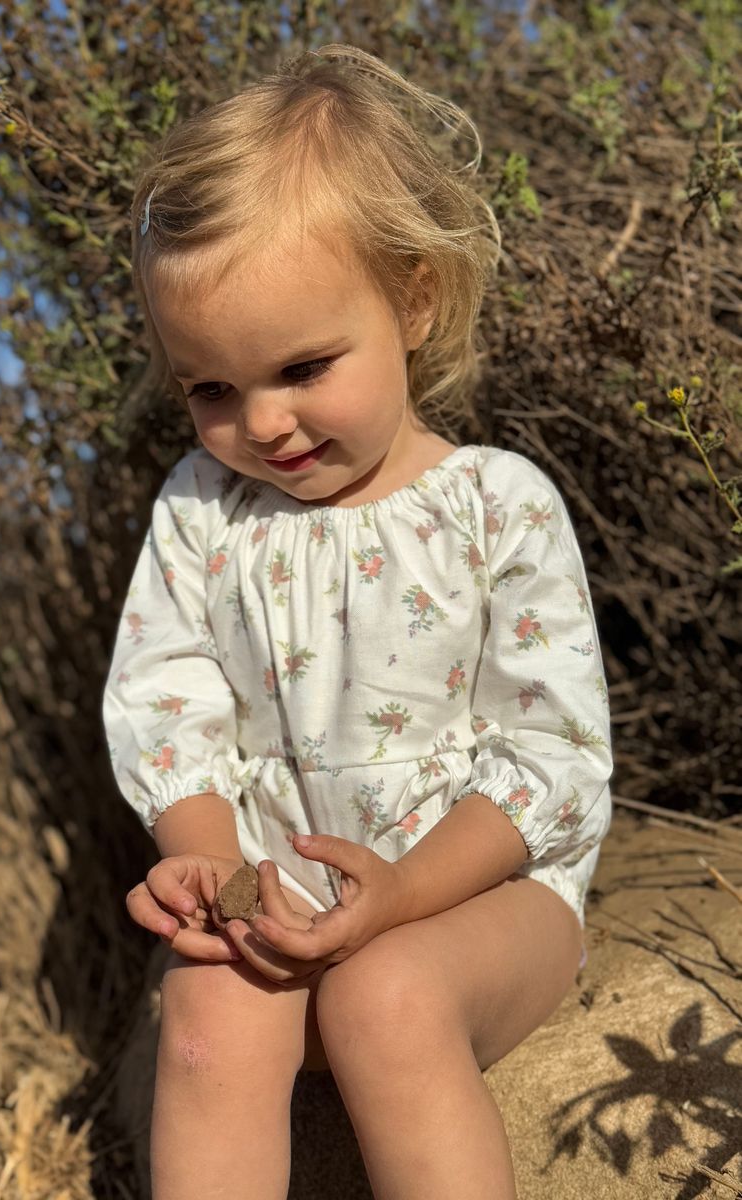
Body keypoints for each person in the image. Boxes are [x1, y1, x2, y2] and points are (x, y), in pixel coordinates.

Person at [102, 43, 612, 1200]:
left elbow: (552, 754)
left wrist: (406, 895)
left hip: (482, 901)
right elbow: (165, 698)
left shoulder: (496, 506)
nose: (260, 423)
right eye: (211, 387)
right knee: (203, 1010)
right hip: (284, 899)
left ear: (413, 300)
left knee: (388, 998)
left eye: (302, 366)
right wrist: (205, 862)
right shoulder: (204, 511)